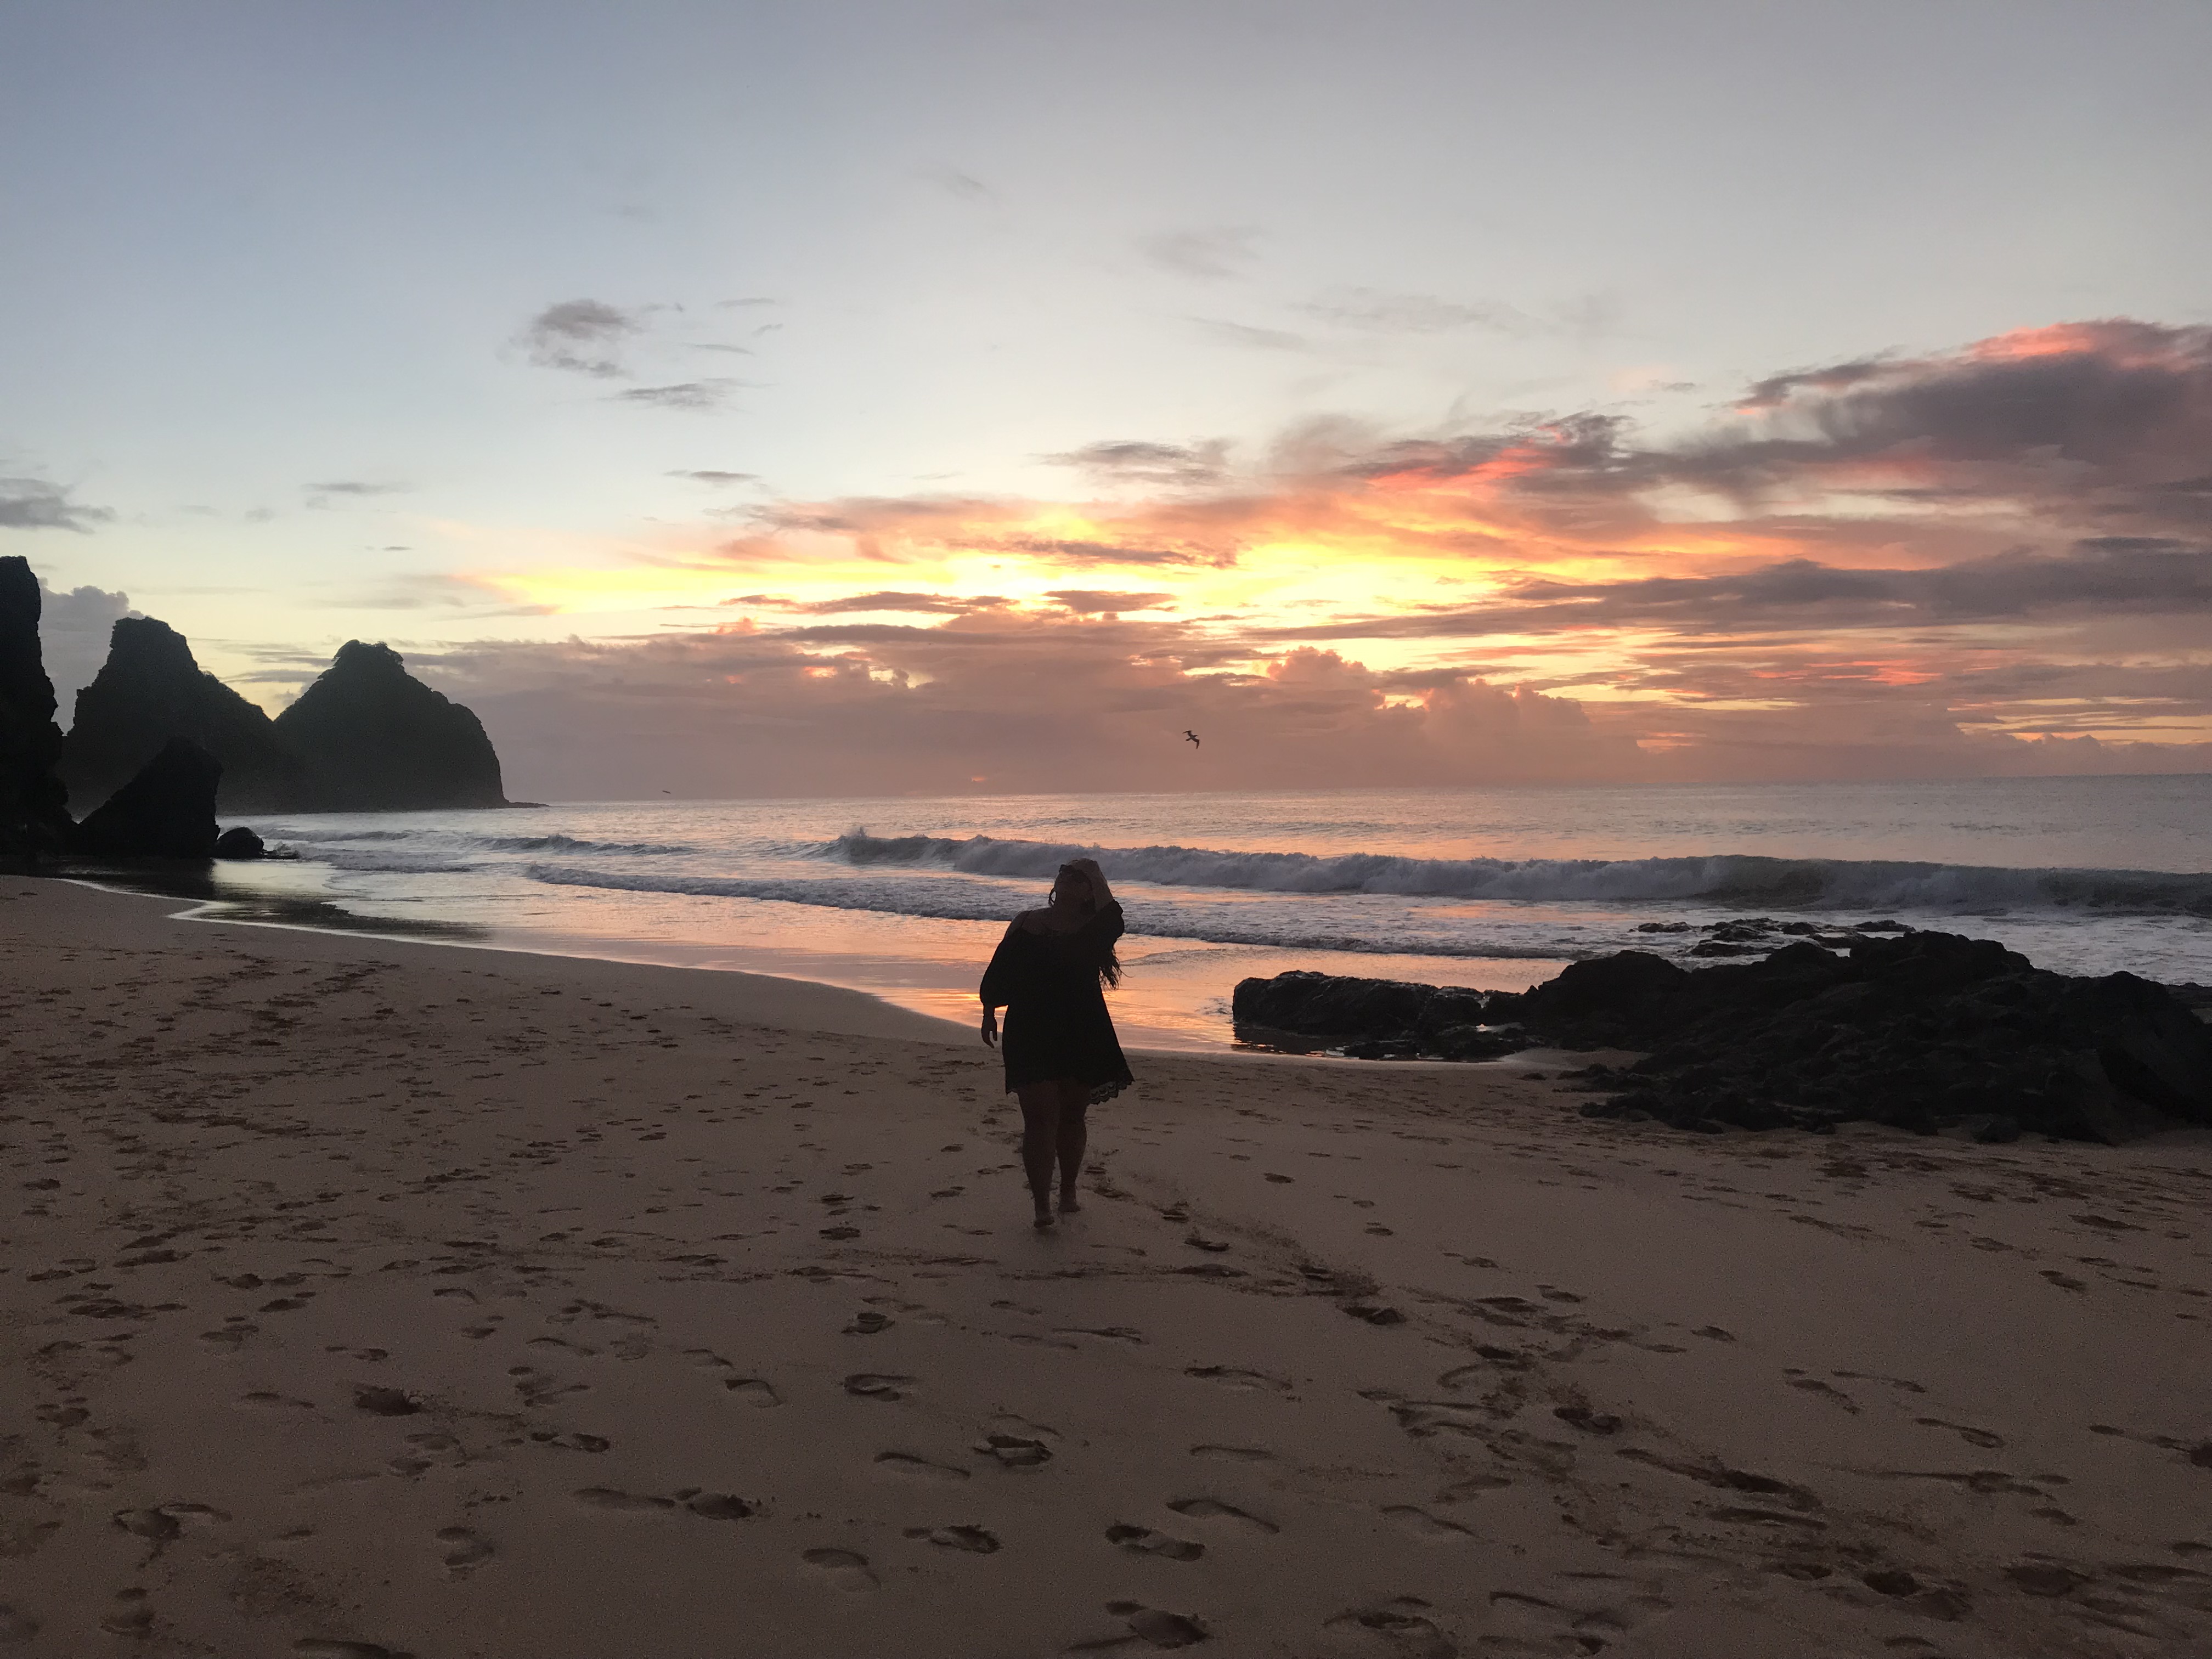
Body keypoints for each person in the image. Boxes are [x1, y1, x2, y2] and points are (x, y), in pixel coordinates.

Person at [979, 856, 1133, 1228]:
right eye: (1065, 872)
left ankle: (1068, 1191)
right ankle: (1041, 1206)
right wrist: (988, 1009)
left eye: (1078, 877)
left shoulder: (1095, 928)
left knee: (1072, 1115)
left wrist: (1096, 872)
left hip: (1081, 1029)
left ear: (1088, 891)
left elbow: (1116, 917)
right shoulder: (1027, 922)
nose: (1068, 878)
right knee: (1039, 1118)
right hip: (1030, 1028)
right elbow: (999, 970)